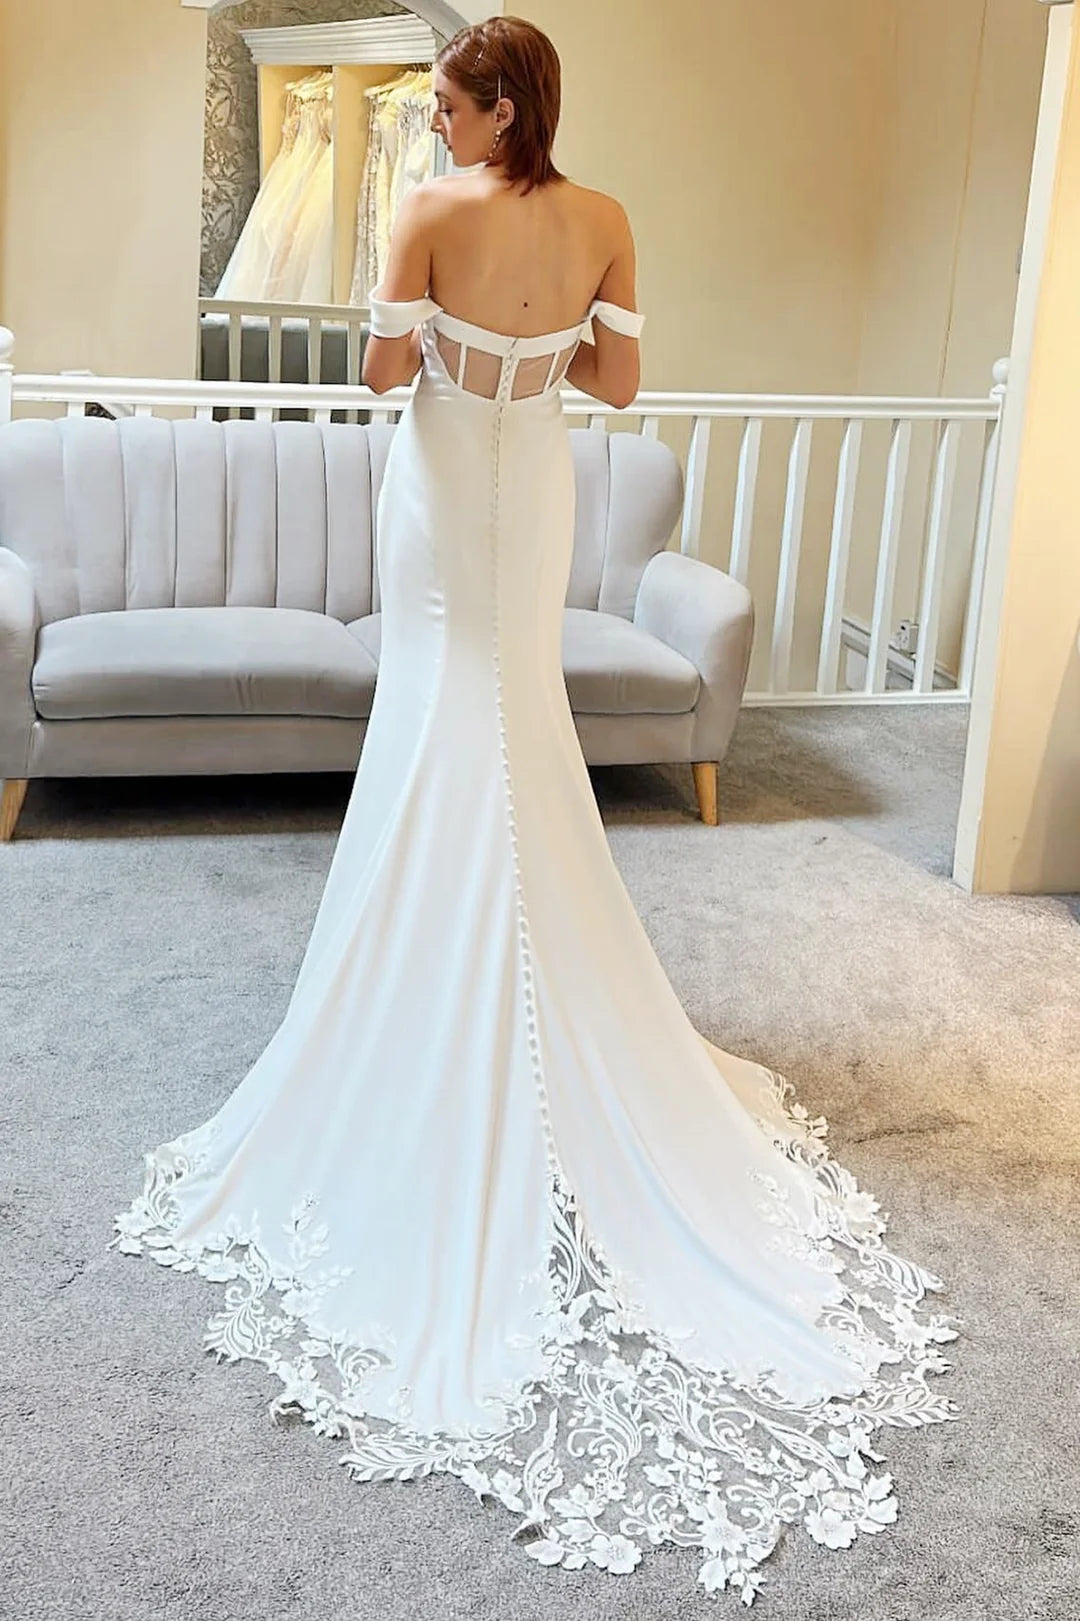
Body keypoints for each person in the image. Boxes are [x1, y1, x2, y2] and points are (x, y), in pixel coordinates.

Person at [111, 16, 960, 1605]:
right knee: (514, 709)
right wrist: (535, 355)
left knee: (446, 706)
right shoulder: (607, 215)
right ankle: (534, 972)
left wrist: (449, 346)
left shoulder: (429, 214)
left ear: (503, 106)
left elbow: (378, 371)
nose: (433, 124)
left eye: (446, 103)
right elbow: (620, 378)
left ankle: (429, 989)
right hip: (537, 479)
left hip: (442, 482)